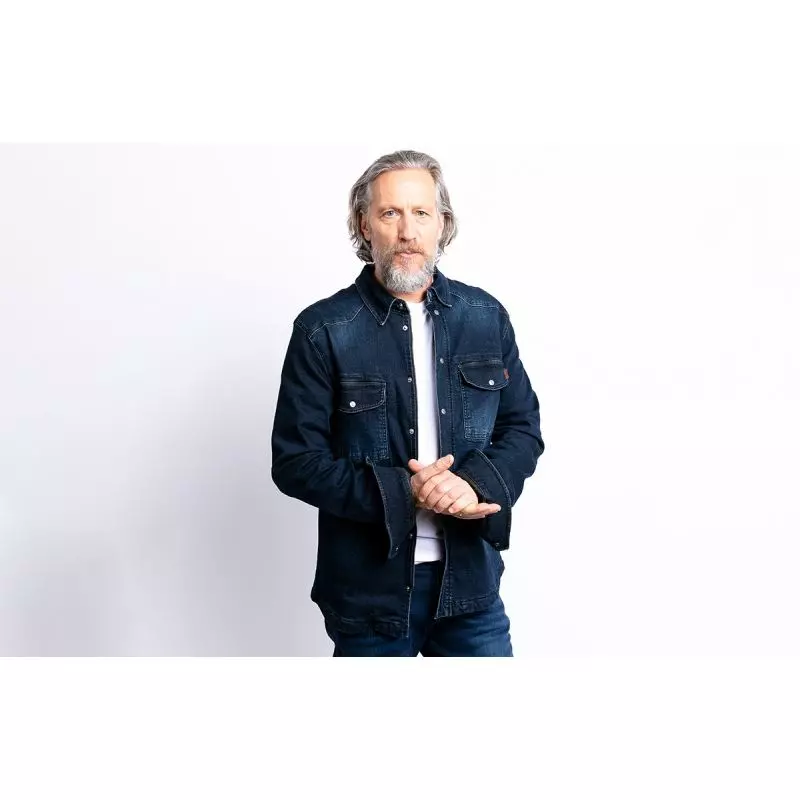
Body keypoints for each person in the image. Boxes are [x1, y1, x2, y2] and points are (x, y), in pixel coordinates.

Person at [271, 150, 544, 656]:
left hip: (471, 590)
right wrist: (406, 493)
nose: (407, 231)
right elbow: (295, 463)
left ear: (442, 224)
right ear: (364, 225)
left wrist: (472, 483)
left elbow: (523, 428)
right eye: (390, 213)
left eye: (421, 213)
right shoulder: (323, 329)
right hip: (368, 598)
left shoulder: (485, 317)